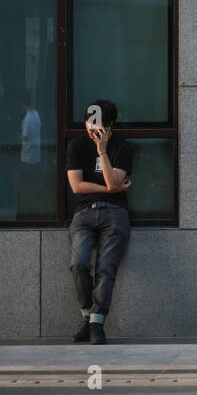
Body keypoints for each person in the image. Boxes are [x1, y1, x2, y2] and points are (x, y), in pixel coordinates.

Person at [65, 98, 133, 345]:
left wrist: (102, 151)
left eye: (98, 125)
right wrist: (109, 189)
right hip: (84, 214)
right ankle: (88, 315)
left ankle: (96, 324)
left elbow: (115, 182)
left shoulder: (121, 148)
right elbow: (77, 186)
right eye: (88, 123)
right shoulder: (76, 146)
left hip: (115, 213)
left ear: (110, 125)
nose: (91, 129)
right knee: (79, 263)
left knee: (106, 269)